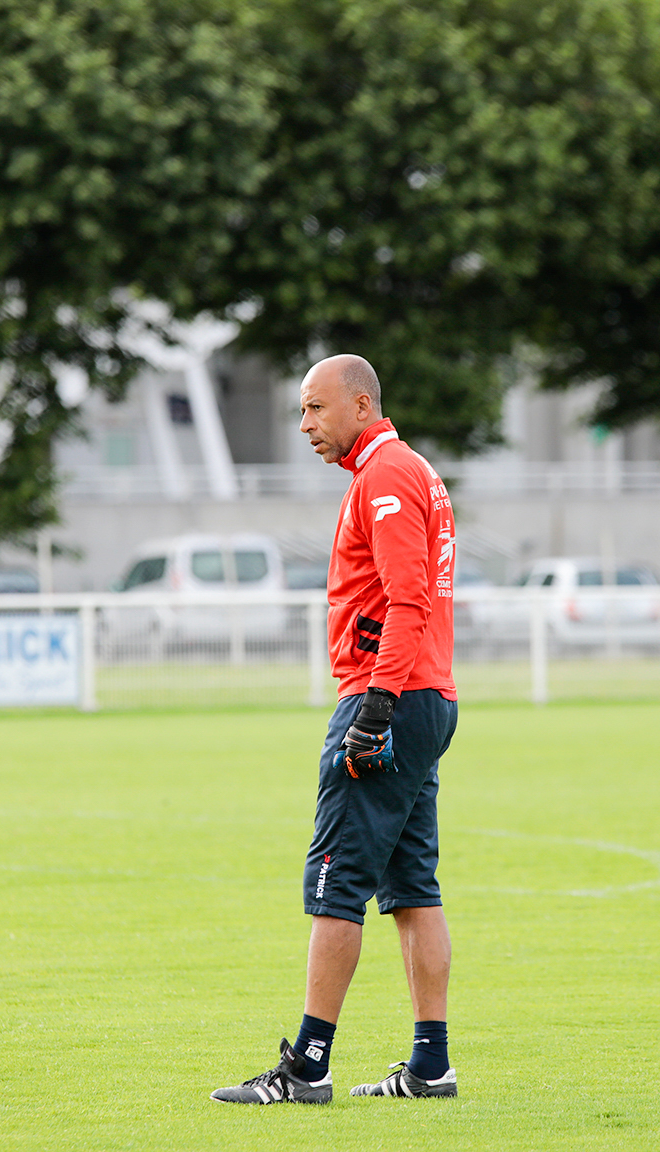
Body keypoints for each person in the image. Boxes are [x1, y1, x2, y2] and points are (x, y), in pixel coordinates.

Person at [212, 354, 460, 1105]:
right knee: (412, 888)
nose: (305, 426)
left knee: (335, 886)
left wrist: (375, 708)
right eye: (301, 410)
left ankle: (307, 1068)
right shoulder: (408, 470)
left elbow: (408, 600)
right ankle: (430, 1066)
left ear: (360, 405)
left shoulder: (384, 475)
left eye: (316, 409)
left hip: (389, 698)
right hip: (427, 698)